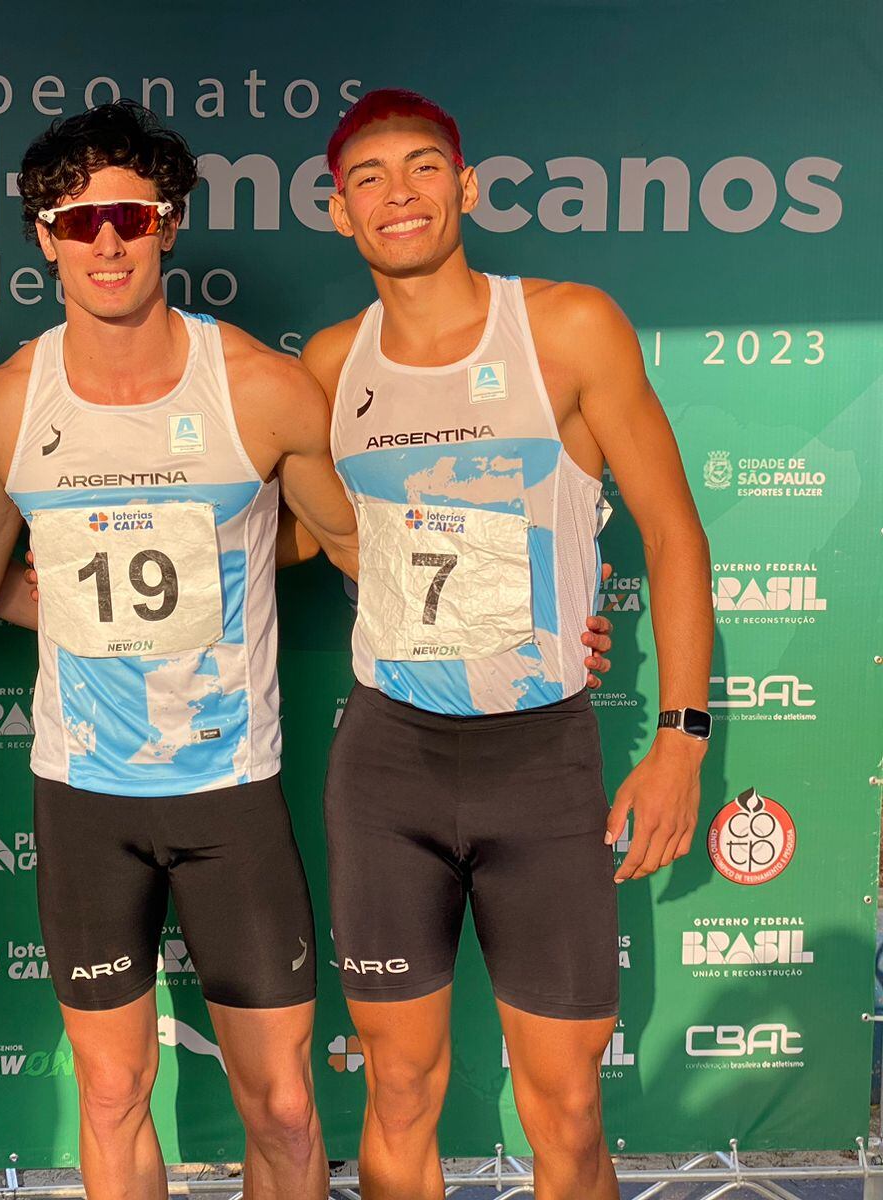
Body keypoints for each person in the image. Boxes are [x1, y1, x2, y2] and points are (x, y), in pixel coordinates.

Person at [0, 99, 371, 1200]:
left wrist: (524, 621)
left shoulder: (259, 387)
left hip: (229, 792)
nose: (105, 243)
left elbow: (359, 544)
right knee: (112, 1096)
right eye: (77, 223)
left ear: (168, 224)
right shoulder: (2, 407)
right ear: (42, 237)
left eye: (127, 217)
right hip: (84, 801)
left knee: (283, 1105)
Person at [300, 89, 712, 1200]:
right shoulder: (332, 363)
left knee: (568, 1106)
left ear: (466, 187)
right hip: (388, 764)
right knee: (395, 1092)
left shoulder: (568, 325)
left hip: (540, 760)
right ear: (340, 213)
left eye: (423, 167)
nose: (398, 194)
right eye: (369, 178)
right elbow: (309, 534)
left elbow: (674, 538)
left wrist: (680, 739)